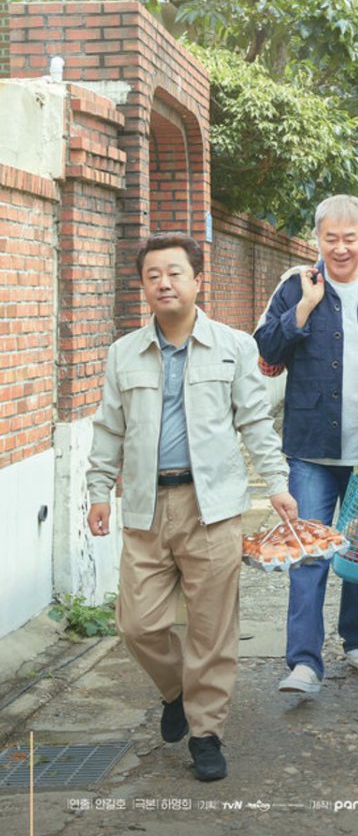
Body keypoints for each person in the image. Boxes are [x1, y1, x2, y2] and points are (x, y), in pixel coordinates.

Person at [86, 233, 297, 783]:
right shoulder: (123, 353)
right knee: (138, 625)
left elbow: (254, 421)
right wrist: (96, 490)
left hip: (214, 508)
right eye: (153, 275)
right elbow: (109, 428)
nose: (164, 283)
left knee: (211, 629)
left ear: (197, 279)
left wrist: (277, 483)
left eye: (175, 273)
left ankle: (206, 732)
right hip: (144, 507)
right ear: (144, 286)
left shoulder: (233, 346)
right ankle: (175, 690)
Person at [254, 196, 358, 695]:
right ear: (317, 239)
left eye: (349, 238)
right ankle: (305, 662)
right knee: (308, 553)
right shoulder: (296, 286)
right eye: (330, 238)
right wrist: (304, 311)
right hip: (310, 446)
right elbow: (266, 350)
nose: (339, 247)